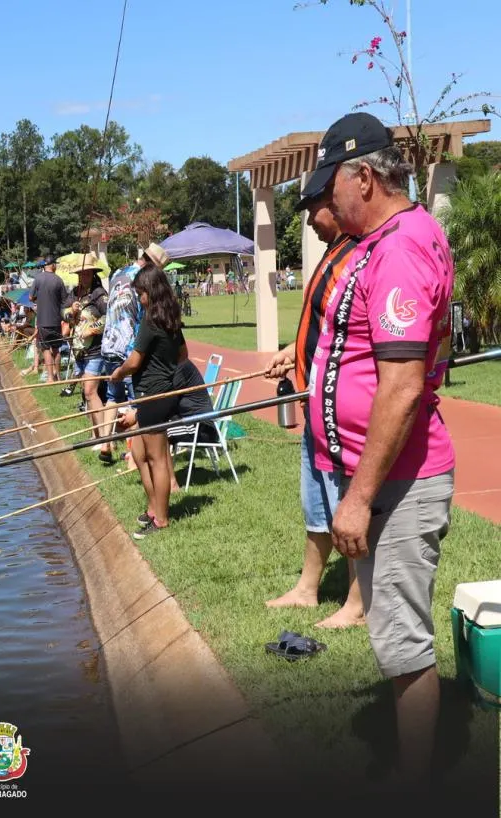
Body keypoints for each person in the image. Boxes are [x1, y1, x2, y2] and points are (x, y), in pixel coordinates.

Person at [298, 111, 456, 788]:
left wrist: (358, 499)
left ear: (365, 176)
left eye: (333, 188)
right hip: (389, 473)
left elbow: (401, 386)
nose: (327, 204)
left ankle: (418, 786)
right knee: (395, 636)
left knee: (404, 647)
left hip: (399, 481)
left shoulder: (396, 248)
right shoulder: (398, 235)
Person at [265, 190, 365, 629]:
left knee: (347, 506)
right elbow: (324, 328)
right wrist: (295, 352)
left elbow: (350, 335)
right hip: (315, 404)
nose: (308, 222)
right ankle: (308, 589)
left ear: (336, 204)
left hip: (340, 409)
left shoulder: (357, 254)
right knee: (317, 505)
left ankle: (358, 603)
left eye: (312, 212)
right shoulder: (333, 252)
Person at [108, 266, 191, 539]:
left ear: (151, 292)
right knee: (141, 455)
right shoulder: (170, 319)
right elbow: (183, 355)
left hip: (154, 396)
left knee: (157, 459)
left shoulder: (150, 320)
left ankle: (162, 519)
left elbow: (133, 361)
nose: (140, 298)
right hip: (157, 394)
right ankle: (153, 508)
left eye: (141, 293)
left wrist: (118, 374)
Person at [96, 242, 168, 465]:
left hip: (108, 343)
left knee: (112, 397)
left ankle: (106, 443)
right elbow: (143, 315)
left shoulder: (119, 272)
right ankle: (132, 454)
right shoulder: (144, 280)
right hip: (128, 347)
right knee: (135, 401)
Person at [62, 254, 109, 447]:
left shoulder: (99, 294)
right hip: (78, 350)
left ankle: (105, 438)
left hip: (96, 349)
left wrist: (93, 329)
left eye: (86, 273)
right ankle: (94, 435)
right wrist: (70, 311)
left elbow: (109, 316)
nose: (83, 277)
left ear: (92, 273)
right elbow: (63, 314)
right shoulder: (74, 293)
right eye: (80, 274)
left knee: (91, 391)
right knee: (86, 393)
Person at [28, 255, 68, 384]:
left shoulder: (38, 279)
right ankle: (59, 377)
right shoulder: (59, 280)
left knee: (46, 349)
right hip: (56, 321)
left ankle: (50, 378)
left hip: (42, 322)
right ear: (53, 265)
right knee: (56, 350)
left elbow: (30, 297)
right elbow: (65, 301)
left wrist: (38, 299)